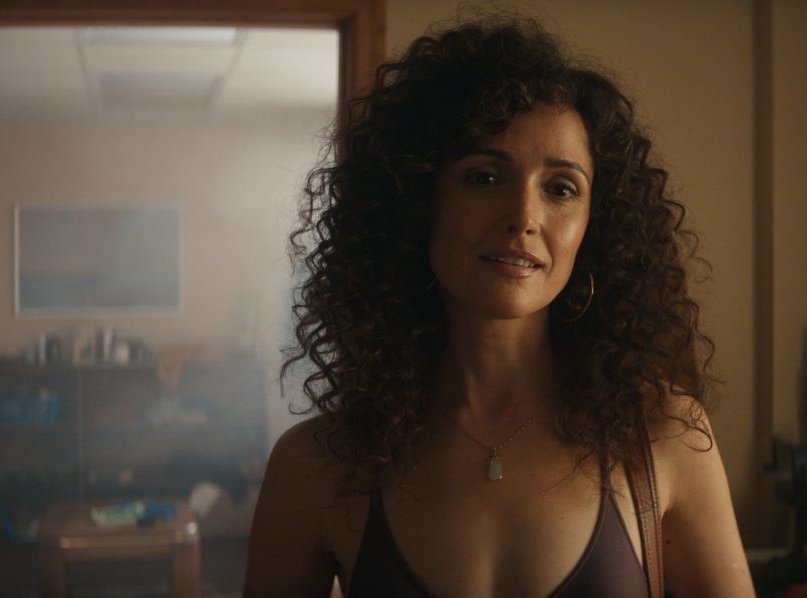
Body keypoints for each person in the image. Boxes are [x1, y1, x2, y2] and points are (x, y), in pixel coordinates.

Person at [243, 14, 755, 597]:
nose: (524, 217)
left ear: (595, 224)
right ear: (417, 199)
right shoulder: (317, 466)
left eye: (560, 188)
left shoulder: (664, 436)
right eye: (484, 178)